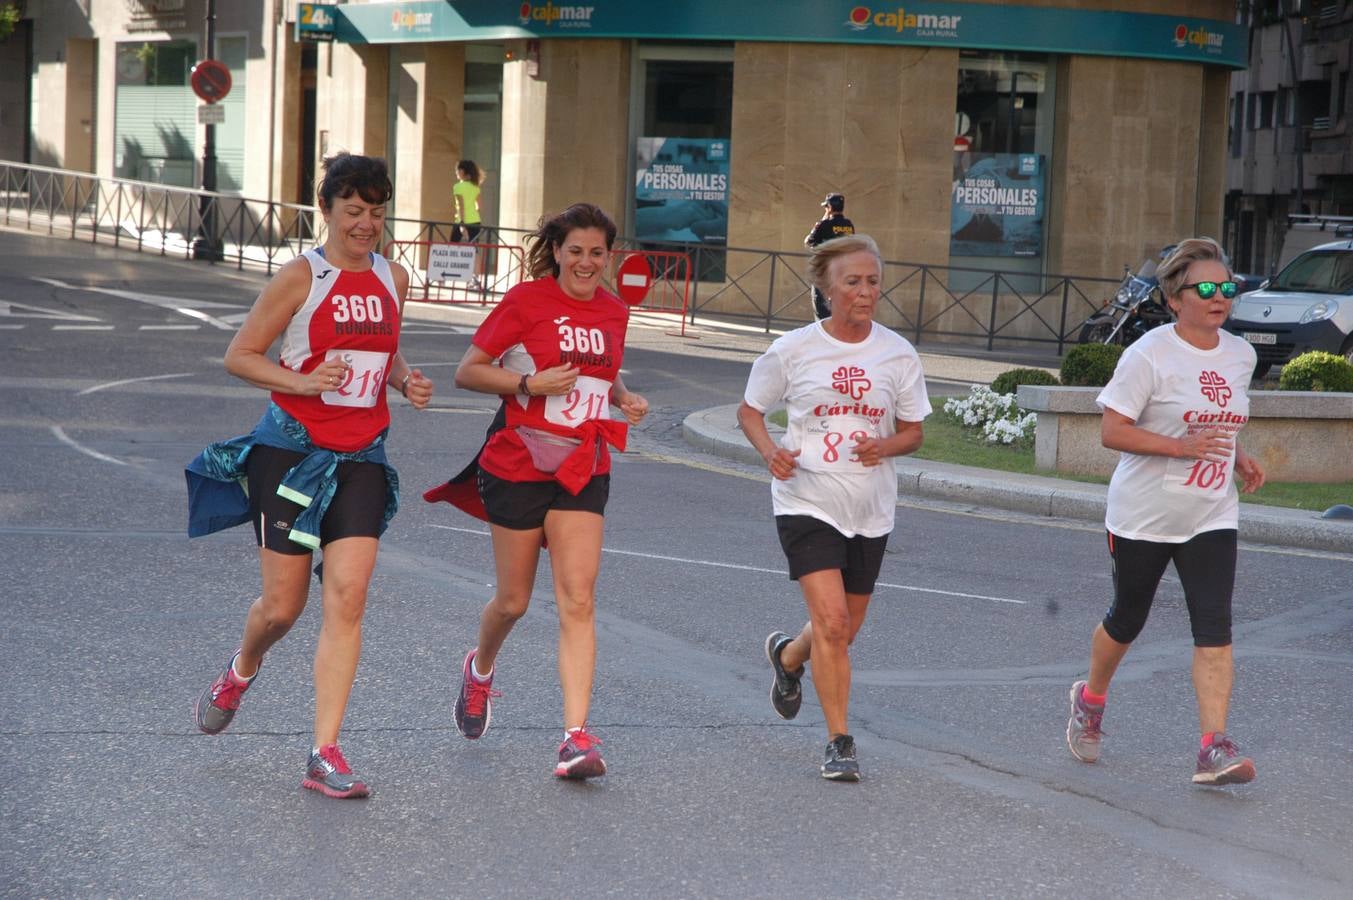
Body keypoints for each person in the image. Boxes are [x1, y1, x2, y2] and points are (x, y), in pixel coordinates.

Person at [186, 153, 434, 799]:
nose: (366, 224)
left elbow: (382, 345)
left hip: (363, 457)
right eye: (354, 211)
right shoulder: (301, 277)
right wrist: (299, 381)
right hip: (292, 456)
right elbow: (239, 355)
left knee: (348, 598)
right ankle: (241, 669)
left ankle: (323, 751)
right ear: (327, 210)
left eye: (377, 212)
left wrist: (404, 378)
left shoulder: (393, 276)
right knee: (282, 607)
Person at [425, 202, 648, 779]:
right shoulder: (526, 301)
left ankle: (575, 738)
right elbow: (468, 371)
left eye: (597, 252)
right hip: (519, 462)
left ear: (608, 256)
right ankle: (479, 669)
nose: (586, 262)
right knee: (514, 601)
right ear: (556, 250)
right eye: (575, 250)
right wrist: (528, 382)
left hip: (584, 465)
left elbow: (600, 369)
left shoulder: (614, 311)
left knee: (579, 598)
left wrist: (622, 397)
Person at [1065, 237, 1266, 787]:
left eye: (1228, 287)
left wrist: (1239, 457)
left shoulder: (1240, 354)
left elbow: (1220, 421)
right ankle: (1091, 699)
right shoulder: (1148, 353)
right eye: (1206, 288)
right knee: (1128, 618)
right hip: (1144, 512)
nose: (1220, 296)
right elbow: (1112, 430)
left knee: (1215, 626)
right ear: (1175, 298)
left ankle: (1212, 747)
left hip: (1211, 510)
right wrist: (1181, 449)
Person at [738, 234, 930, 781]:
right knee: (833, 619)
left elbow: (914, 432)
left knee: (841, 631)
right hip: (806, 496)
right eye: (853, 282)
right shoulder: (794, 350)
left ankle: (789, 658)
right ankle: (839, 741)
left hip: (870, 506)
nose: (865, 292)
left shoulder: (897, 353)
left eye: (872, 281)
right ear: (827, 289)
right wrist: (772, 452)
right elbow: (750, 410)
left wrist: (884, 446)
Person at [804, 193, 855, 320]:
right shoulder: (849, 225)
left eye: (826, 207)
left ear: (830, 207)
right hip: (843, 271)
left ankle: (823, 332)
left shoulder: (824, 224)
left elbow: (808, 242)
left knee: (820, 305)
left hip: (825, 270)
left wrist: (822, 220)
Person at [453, 160, 485, 290]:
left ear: (462, 172)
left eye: (457, 170)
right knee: (475, 250)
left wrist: (462, 224)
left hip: (461, 221)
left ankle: (440, 277)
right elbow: (479, 206)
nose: (456, 173)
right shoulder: (476, 187)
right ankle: (475, 279)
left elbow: (460, 206)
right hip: (475, 221)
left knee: (451, 247)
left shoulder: (457, 187)